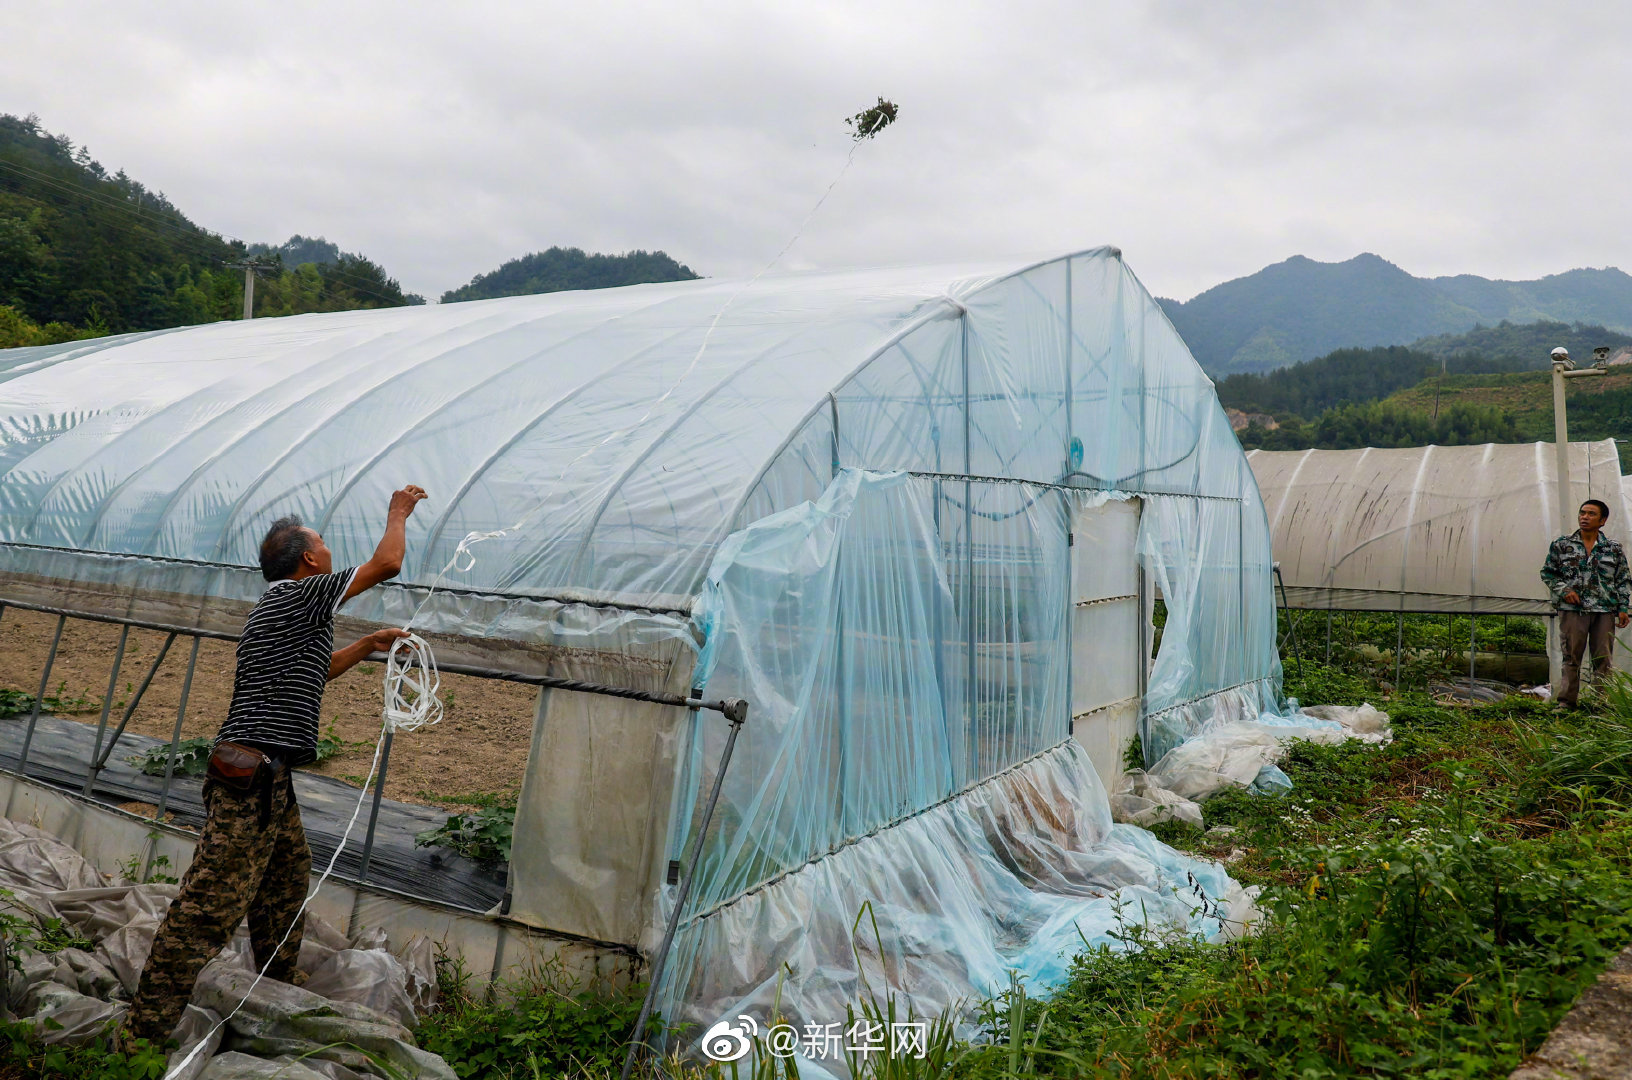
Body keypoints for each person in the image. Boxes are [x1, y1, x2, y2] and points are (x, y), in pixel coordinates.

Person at [119, 484, 427, 1047]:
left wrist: (368, 645)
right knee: (207, 912)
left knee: (285, 883)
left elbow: (315, 673)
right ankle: (138, 1039)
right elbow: (388, 562)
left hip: (268, 780)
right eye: (325, 544)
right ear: (309, 558)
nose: (331, 551)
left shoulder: (284, 610)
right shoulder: (298, 596)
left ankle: (275, 992)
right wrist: (397, 513)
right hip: (249, 782)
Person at [1539, 498, 1632, 708]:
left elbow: (1623, 579)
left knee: (1603, 660)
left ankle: (1601, 705)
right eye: (1582, 513)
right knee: (1571, 657)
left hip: (1604, 610)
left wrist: (1623, 608)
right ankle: (1566, 703)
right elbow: (1548, 573)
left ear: (1603, 520)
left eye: (1591, 514)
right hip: (1573, 610)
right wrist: (1565, 591)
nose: (1585, 517)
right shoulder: (1562, 545)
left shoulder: (1613, 549)